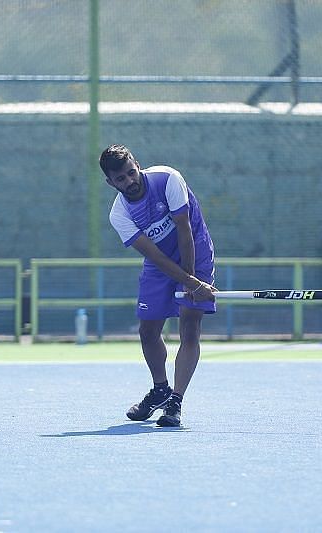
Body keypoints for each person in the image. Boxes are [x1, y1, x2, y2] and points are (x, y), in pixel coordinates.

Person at [100, 144, 217, 427]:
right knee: (147, 329)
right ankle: (160, 389)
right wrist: (189, 282)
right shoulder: (119, 215)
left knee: (189, 327)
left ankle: (175, 401)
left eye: (131, 172)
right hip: (160, 263)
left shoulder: (168, 179)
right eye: (120, 179)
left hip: (195, 252)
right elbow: (153, 255)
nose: (130, 181)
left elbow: (184, 229)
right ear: (110, 183)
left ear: (137, 164)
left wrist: (193, 279)